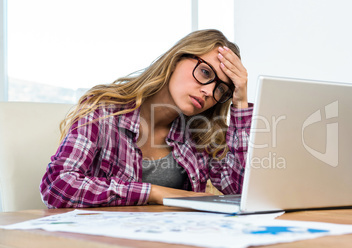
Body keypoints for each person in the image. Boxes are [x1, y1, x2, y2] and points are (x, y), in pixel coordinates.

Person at [40, 29, 253, 208]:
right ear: (176, 59)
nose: (208, 92)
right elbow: (57, 186)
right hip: (105, 245)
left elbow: (241, 192)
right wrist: (155, 193)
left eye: (220, 90)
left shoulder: (200, 132)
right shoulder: (104, 111)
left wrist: (241, 101)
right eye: (206, 72)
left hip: (176, 243)